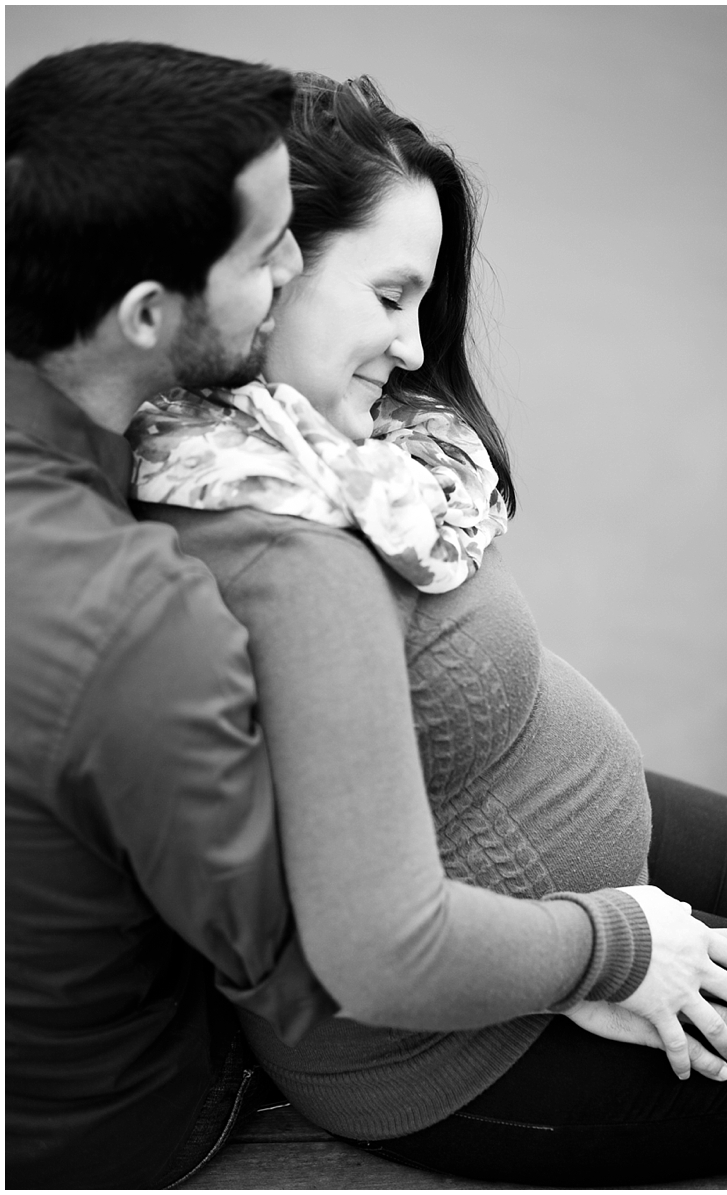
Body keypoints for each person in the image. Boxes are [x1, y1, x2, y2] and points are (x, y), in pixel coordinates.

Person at [130, 74, 727, 1188]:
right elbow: (379, 945)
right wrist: (615, 950)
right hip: (461, 1043)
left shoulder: (340, 453)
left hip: (568, 848)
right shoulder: (266, 544)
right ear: (269, 270)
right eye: (388, 296)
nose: (407, 345)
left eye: (421, 303)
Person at [5, 42, 325, 1189]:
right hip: (120, 1118)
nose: (299, 264)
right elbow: (293, 956)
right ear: (147, 313)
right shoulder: (135, 615)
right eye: (267, 246)